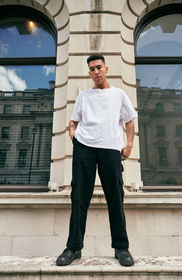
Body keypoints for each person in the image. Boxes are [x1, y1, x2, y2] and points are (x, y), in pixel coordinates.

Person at [56, 54, 137, 267]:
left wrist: (129, 144)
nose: (96, 72)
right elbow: (73, 122)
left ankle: (122, 248)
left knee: (115, 198)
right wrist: (74, 137)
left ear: (106, 68)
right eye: (91, 69)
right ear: (89, 73)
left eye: (99, 67)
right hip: (85, 148)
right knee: (79, 197)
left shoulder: (119, 94)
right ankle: (73, 247)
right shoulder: (84, 96)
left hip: (110, 148)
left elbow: (129, 121)